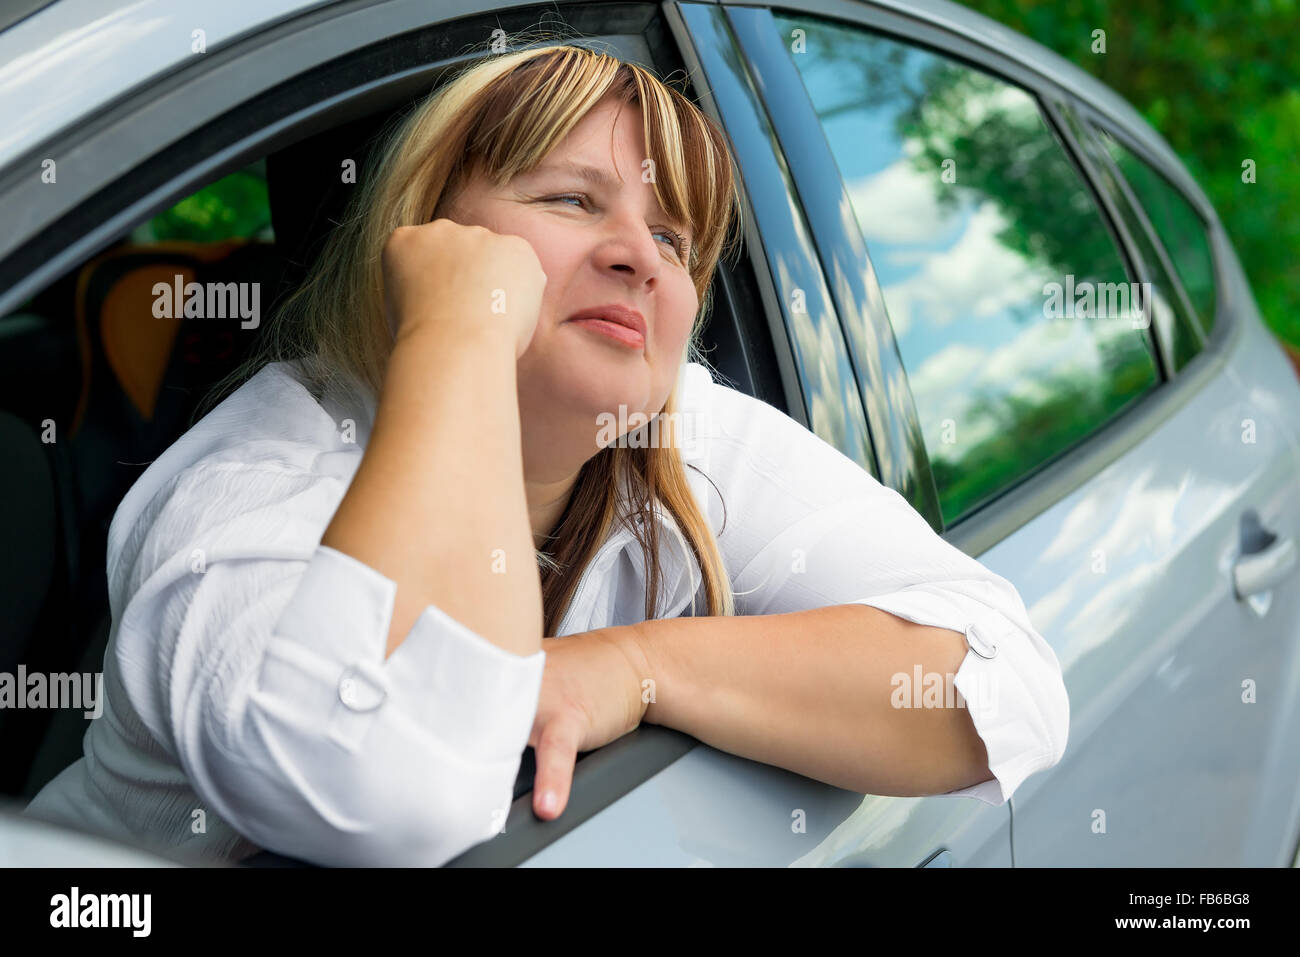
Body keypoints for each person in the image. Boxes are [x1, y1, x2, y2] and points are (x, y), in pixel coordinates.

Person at [24, 37, 1069, 867]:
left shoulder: (681, 436)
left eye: (676, 241)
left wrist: (632, 667)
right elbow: (394, 789)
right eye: (573, 200)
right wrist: (457, 336)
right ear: (423, 237)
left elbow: (1005, 686)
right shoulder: (256, 485)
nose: (638, 258)